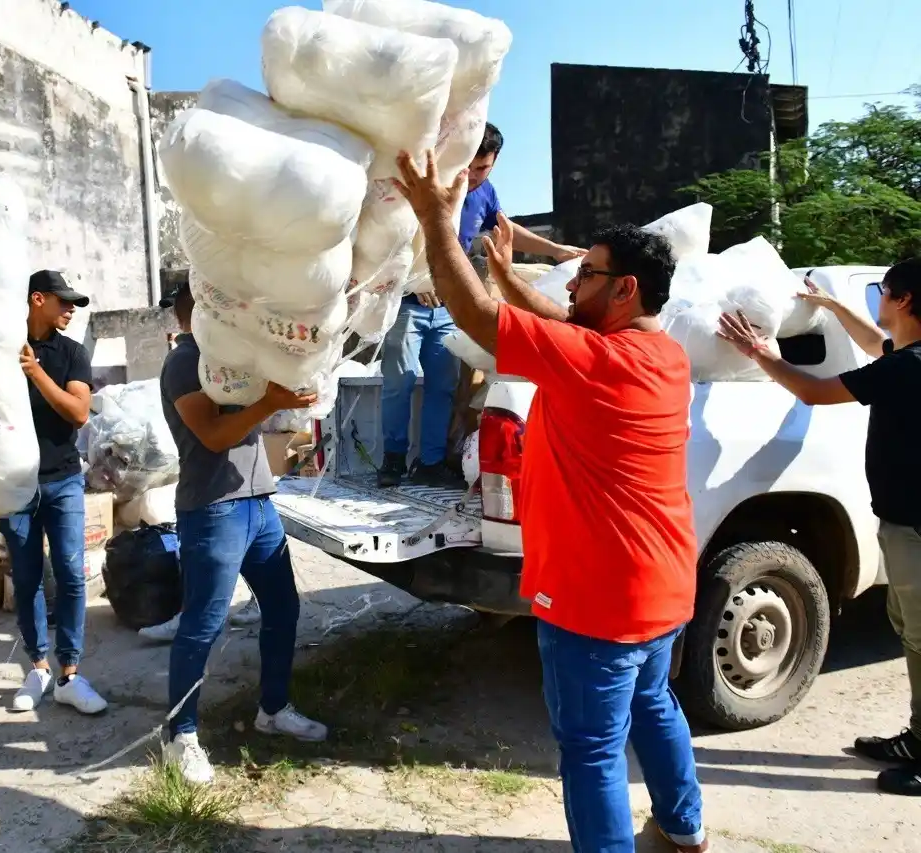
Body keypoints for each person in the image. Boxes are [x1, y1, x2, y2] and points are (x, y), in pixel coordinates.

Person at [394, 149, 707, 852]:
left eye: (586, 274)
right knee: (655, 704)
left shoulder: (595, 362)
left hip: (597, 598)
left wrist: (436, 219)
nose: (572, 282)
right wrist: (509, 275)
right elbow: (565, 326)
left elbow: (476, 317)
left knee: (592, 750)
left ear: (624, 289)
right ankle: (685, 832)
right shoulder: (664, 355)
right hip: (662, 586)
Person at [718, 260, 921, 798]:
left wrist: (760, 353)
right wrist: (832, 305)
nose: (881, 299)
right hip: (905, 521)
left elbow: (814, 390)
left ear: (903, 300)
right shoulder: (906, 360)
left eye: (885, 292)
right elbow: (875, 343)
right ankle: (917, 738)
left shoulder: (908, 368)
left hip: (916, 526)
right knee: (910, 628)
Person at [158, 278, 327, 785]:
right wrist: (270, 403)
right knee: (202, 625)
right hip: (214, 510)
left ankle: (273, 709)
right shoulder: (185, 362)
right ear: (196, 311)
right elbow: (213, 436)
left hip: (258, 502)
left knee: (283, 608)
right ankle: (180, 736)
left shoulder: (234, 357)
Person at [378, 123, 584, 488]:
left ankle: (430, 462)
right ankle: (392, 460)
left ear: (494, 163)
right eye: (468, 166)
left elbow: (505, 228)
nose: (472, 176)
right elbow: (392, 238)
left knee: (443, 386)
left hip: (449, 308)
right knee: (400, 381)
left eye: (482, 168)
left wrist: (555, 250)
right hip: (408, 303)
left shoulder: (484, 193)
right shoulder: (431, 186)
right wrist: (414, 282)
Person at [2, 270, 107, 715]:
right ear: (37, 299)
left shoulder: (71, 353)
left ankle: (70, 674)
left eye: (73, 305)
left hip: (62, 479)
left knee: (70, 573)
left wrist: (36, 372)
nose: (70, 310)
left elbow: (78, 412)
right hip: (13, 482)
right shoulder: (1, 347)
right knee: (26, 578)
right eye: (63, 302)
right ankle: (39, 668)